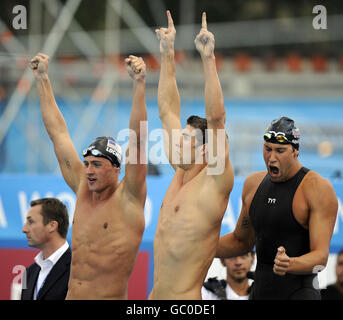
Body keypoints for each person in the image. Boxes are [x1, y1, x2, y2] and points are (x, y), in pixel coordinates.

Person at [29, 53, 147, 299]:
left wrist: (139, 84)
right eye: (86, 164)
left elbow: (137, 141)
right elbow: (58, 133)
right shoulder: (83, 187)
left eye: (97, 164)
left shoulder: (129, 198)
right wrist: (42, 79)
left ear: (116, 168)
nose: (89, 170)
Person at [149, 11, 234, 300]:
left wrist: (208, 58)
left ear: (206, 149)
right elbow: (167, 110)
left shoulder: (215, 181)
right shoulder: (180, 171)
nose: (178, 142)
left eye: (186, 139)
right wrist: (167, 53)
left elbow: (217, 119)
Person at [216, 116, 338, 300]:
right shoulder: (252, 184)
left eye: (280, 150)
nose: (272, 158)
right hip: (259, 293)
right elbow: (241, 242)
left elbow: (320, 259)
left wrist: (291, 263)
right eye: (267, 149)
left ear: (295, 151)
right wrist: (198, 246)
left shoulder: (317, 188)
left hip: (298, 294)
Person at [21, 198, 71, 300]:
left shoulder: (78, 269)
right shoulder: (28, 273)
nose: (24, 229)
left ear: (52, 226)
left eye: (31, 222)